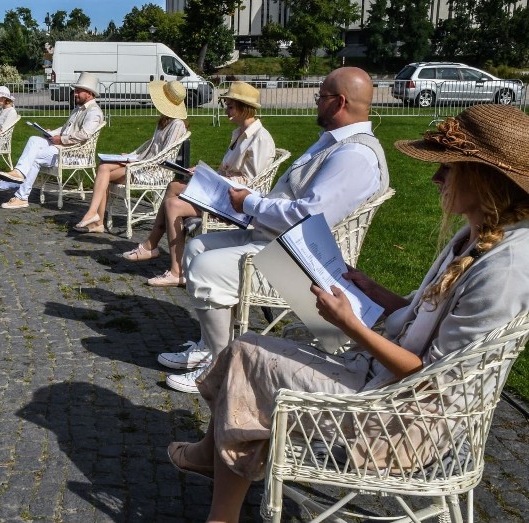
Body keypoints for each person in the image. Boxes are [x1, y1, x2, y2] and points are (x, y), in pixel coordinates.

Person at [166, 103, 529, 523]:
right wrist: (375, 291)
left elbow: (427, 374)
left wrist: (349, 325)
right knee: (246, 353)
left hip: (400, 424)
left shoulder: (504, 269)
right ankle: (213, 463)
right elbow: (426, 314)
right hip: (388, 388)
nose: (436, 178)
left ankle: (218, 496)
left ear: (485, 180)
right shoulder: (481, 235)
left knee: (247, 357)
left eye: (447, 168)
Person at [161, 67, 390, 393]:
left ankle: (218, 368)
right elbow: (296, 203)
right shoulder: (336, 143)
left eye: (320, 96)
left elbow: (308, 216)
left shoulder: (355, 155)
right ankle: (209, 346)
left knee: (204, 267)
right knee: (198, 247)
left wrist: (251, 204)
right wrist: (233, 193)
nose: (316, 103)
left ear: (339, 102)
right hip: (278, 239)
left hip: (303, 261)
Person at [120, 82, 276, 287]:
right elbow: (229, 171)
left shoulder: (260, 139)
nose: (226, 111)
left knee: (172, 205)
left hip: (237, 203)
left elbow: (252, 184)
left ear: (243, 107)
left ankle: (177, 271)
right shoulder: (239, 133)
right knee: (174, 186)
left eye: (230, 106)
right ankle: (152, 244)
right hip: (224, 192)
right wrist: (204, 174)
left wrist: (211, 179)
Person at [72, 79, 190, 233]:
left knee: (104, 171)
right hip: (142, 163)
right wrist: (131, 156)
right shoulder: (164, 121)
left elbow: (163, 157)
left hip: (152, 171)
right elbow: (151, 147)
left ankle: (95, 218)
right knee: (103, 166)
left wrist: (134, 160)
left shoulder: (177, 124)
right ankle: (95, 218)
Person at [0, 72, 104, 209]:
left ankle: (21, 197)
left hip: (75, 153)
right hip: (64, 147)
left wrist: (61, 139)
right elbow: (65, 128)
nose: (75, 94)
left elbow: (84, 135)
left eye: (78, 91)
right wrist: (50, 133)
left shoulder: (94, 111)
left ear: (89, 93)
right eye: (75, 91)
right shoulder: (78, 109)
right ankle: (19, 172)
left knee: (36, 158)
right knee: (34, 139)